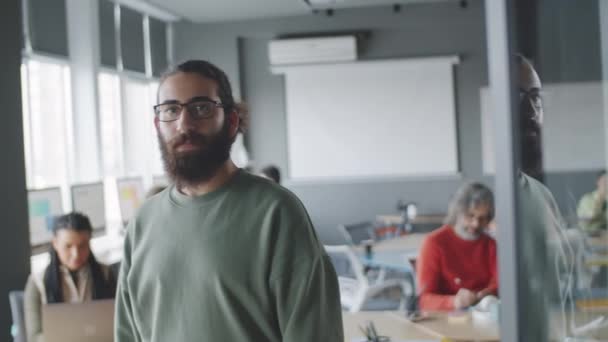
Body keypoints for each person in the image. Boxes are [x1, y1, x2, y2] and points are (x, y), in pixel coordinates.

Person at [115, 60, 343, 341]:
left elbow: (314, 334)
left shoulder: (276, 212)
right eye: (171, 110)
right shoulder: (143, 222)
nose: (184, 123)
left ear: (232, 121)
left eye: (201, 108)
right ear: (157, 125)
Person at [24, 212, 116, 342]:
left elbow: (118, 322)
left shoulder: (106, 274)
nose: (76, 254)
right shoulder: (37, 282)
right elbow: (34, 337)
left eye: (82, 245)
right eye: (68, 246)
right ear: (55, 243)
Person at [417, 182, 497, 311]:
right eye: (470, 216)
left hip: (483, 314)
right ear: (457, 212)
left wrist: (486, 294)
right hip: (446, 318)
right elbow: (424, 300)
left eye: (483, 218)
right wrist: (455, 302)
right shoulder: (434, 243)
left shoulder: (491, 245)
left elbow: (499, 284)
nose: (476, 224)